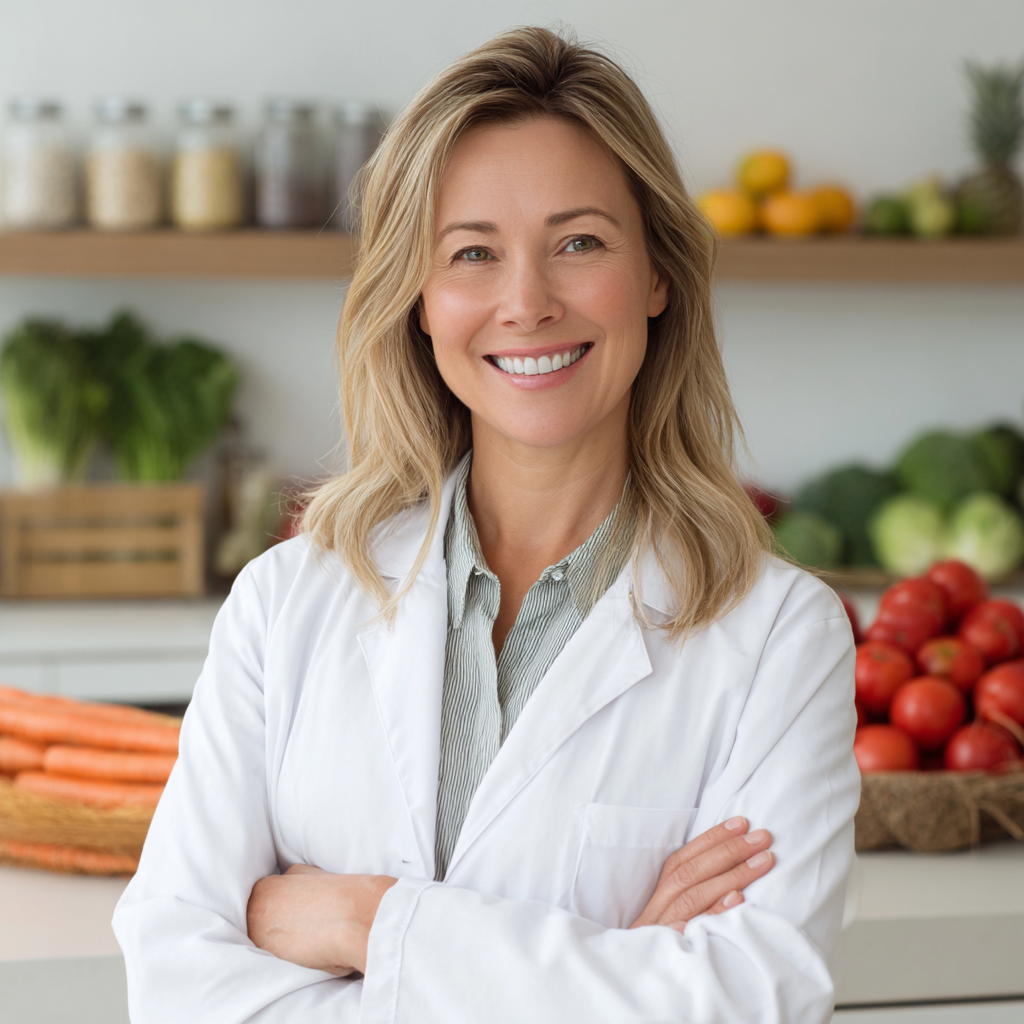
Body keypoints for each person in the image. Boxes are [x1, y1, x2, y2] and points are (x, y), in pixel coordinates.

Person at [114, 26, 859, 1023]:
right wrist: (614, 967)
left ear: (656, 274)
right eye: (471, 252)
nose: (525, 301)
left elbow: (744, 1000)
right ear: (418, 300)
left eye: (579, 242)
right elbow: (176, 983)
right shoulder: (286, 602)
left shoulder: (779, 637)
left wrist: (364, 922)